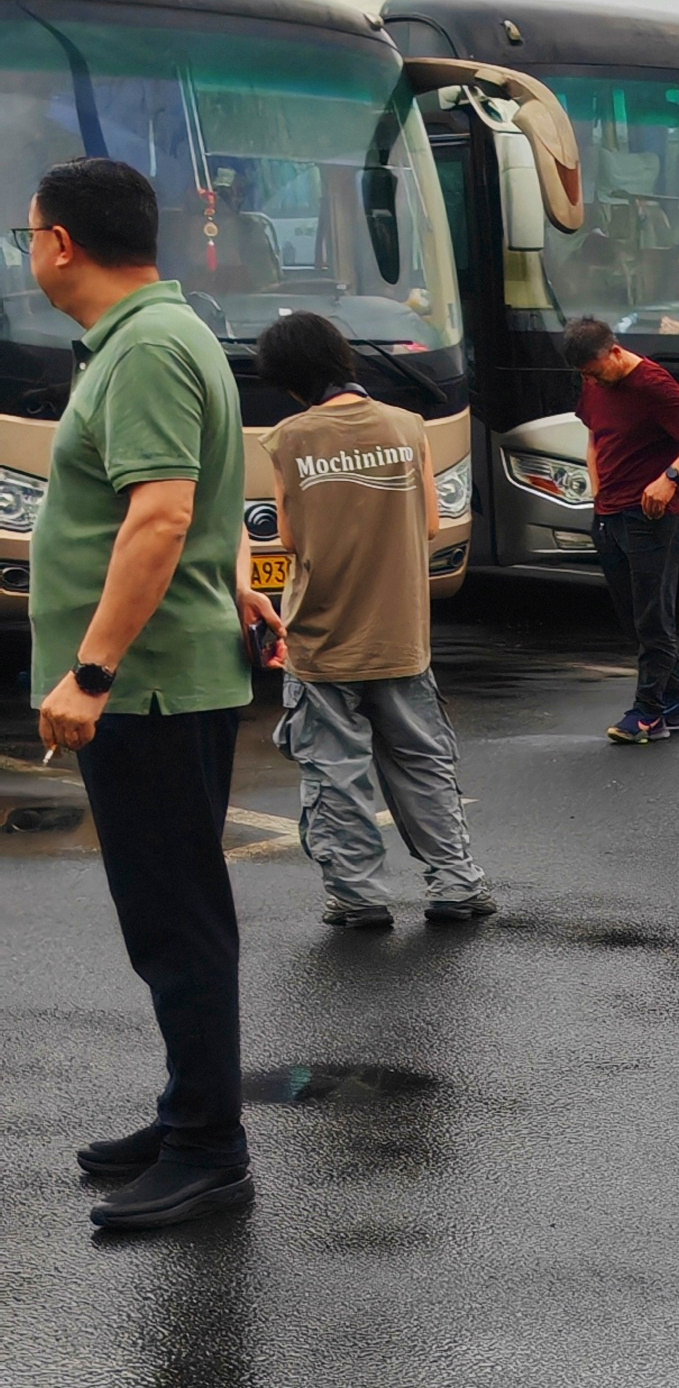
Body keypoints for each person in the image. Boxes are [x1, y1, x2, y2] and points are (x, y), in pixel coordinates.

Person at [25, 156, 276, 1231]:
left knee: (175, 919)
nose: (28, 248)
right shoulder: (159, 338)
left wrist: (91, 671)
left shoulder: (149, 350)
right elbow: (200, 503)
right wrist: (235, 582)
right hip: (166, 678)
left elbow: (162, 515)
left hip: (152, 690)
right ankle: (187, 1113)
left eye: (30, 232)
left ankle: (211, 1150)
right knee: (166, 911)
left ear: (61, 244)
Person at [252, 312, 494, 928]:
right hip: (401, 631)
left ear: (289, 378)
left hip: (322, 637)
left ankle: (359, 897)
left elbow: (286, 536)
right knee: (423, 763)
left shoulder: (288, 438)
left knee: (336, 774)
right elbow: (433, 525)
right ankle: (457, 885)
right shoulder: (408, 426)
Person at [569, 317, 679, 744]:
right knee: (633, 616)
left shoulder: (651, 382)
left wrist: (671, 477)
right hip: (609, 513)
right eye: (585, 375)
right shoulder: (595, 382)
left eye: (596, 371)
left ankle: (649, 711)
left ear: (615, 352)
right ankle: (677, 700)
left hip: (653, 515)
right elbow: (595, 438)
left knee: (653, 615)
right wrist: (598, 495)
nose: (592, 380)